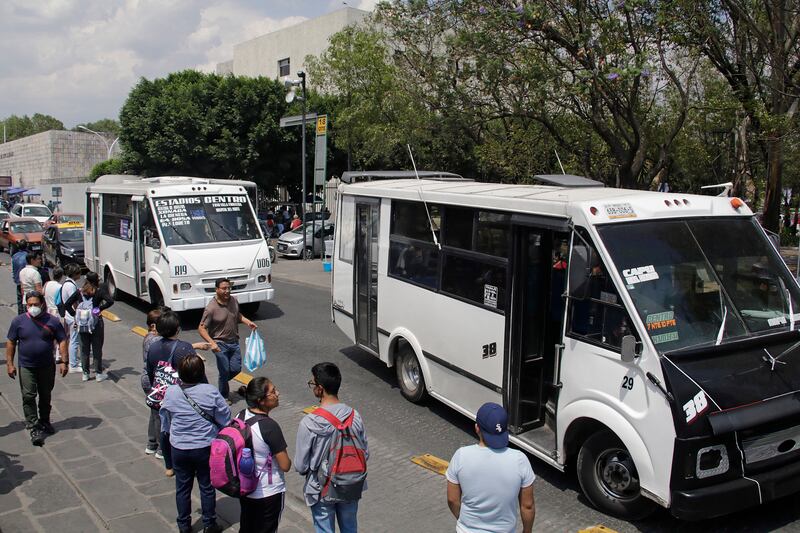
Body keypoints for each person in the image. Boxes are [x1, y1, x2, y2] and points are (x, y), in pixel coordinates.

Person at [295, 362, 369, 533]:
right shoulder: (354, 415)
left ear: (320, 389)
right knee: (350, 528)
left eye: (313, 384)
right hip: (350, 484)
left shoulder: (309, 422)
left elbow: (301, 466)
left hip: (321, 488)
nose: (312, 387)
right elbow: (365, 452)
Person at [160, 354, 230, 533]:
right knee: (206, 486)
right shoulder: (210, 391)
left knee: (182, 487)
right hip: (205, 446)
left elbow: (165, 420)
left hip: (179, 447)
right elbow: (225, 417)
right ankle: (209, 524)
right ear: (201, 373)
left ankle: (184, 525)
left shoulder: (172, 391)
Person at [445, 402, 535, 533]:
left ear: (477, 428)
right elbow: (527, 506)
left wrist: (465, 522)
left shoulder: (461, 456)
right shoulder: (520, 460)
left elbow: (452, 499)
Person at [146, 309, 210, 473]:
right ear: (177, 329)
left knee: (165, 428)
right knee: (183, 429)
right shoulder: (184, 348)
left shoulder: (153, 347)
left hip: (162, 394)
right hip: (182, 395)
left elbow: (151, 371)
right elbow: (196, 374)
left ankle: (169, 466)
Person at [5, 291, 69, 446]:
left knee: (45, 394)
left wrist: (64, 361)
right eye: (29, 305)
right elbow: (11, 342)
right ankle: (33, 426)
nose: (32, 307)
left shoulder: (52, 321)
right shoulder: (18, 322)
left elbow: (62, 340)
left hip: (46, 366)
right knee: (28, 395)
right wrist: (9, 364)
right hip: (26, 366)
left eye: (35, 304)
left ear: (42, 304)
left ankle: (44, 420)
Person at [237, 378, 292, 533]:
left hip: (246, 487)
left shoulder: (239, 416)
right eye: (273, 392)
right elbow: (285, 465)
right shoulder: (269, 427)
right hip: (268, 492)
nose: (278, 394)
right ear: (261, 400)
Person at [197, 278, 258, 402]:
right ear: (217, 289)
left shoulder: (234, 300)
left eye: (228, 288)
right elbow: (201, 328)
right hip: (219, 344)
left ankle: (221, 383)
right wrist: (212, 343)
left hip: (234, 342)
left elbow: (237, 315)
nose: (227, 291)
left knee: (236, 369)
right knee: (224, 370)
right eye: (224, 288)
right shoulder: (211, 308)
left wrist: (247, 322)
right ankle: (223, 396)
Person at [64, 271, 114, 382]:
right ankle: (98, 374)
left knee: (84, 349)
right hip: (96, 324)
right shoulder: (99, 291)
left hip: (82, 324)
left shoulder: (80, 292)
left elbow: (67, 304)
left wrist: (75, 314)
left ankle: (85, 374)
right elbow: (110, 301)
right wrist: (99, 309)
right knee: (97, 349)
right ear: (96, 280)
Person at [60, 263, 82, 372]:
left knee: (73, 339)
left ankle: (74, 362)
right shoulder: (71, 286)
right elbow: (74, 302)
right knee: (74, 341)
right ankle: (73, 364)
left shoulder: (67, 283)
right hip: (73, 317)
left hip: (69, 316)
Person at [11, 239, 29, 314]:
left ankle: (20, 314)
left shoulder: (14, 256)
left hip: (18, 281)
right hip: (26, 281)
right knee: (26, 299)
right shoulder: (28, 256)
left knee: (20, 300)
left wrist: (14, 278)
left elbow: (13, 269)